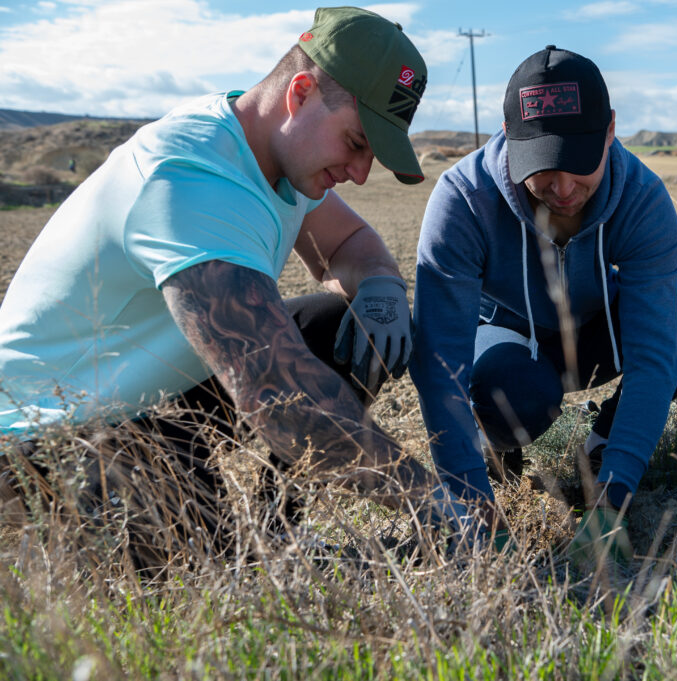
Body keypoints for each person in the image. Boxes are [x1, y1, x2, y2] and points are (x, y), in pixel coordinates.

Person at [0, 7, 460, 566]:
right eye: (357, 142)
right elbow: (278, 399)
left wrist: (383, 287)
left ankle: (274, 531)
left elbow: (349, 245)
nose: (361, 173)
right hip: (49, 437)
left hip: (146, 401)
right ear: (301, 93)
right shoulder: (193, 177)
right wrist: (436, 502)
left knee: (338, 326)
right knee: (196, 564)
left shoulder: (272, 151)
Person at [410, 46, 677, 565]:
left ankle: (604, 444)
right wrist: (470, 506)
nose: (562, 189)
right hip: (506, 345)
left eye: (578, 165)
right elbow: (439, 367)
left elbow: (654, 357)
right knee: (517, 393)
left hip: (594, 333)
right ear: (507, 132)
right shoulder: (463, 199)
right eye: (542, 167)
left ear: (611, 130)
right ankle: (494, 448)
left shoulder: (641, 198)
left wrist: (612, 499)